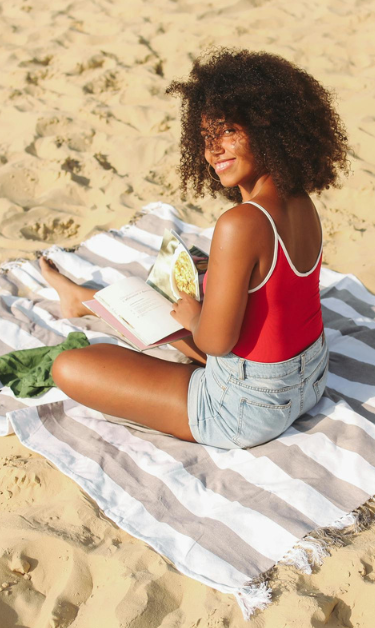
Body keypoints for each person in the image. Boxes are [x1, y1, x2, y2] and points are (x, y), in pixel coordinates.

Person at [36, 48, 351, 449]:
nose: (213, 150)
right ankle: (83, 299)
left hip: (245, 410)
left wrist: (195, 314)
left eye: (228, 131)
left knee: (69, 367)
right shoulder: (301, 202)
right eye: (206, 138)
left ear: (269, 127)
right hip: (311, 378)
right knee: (188, 298)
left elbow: (215, 343)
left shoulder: (240, 224)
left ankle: (87, 300)